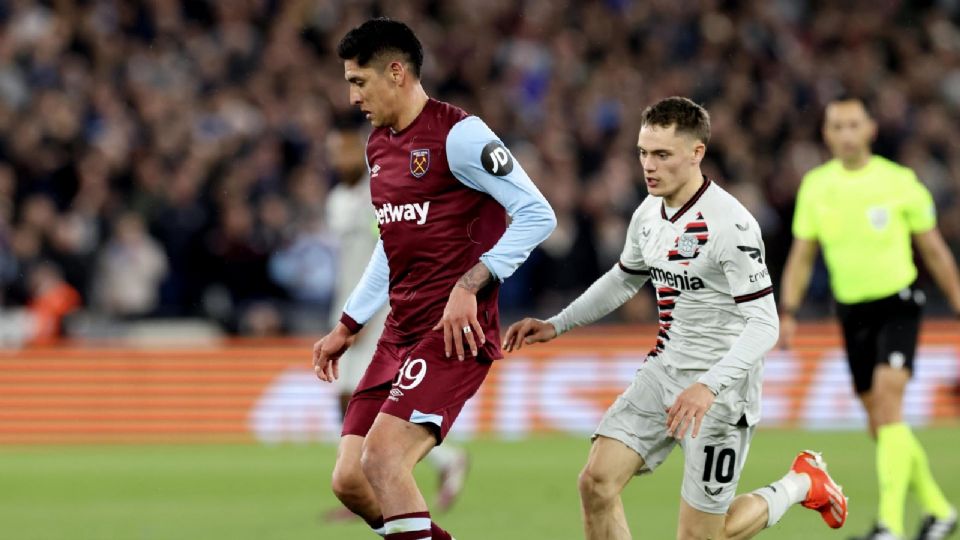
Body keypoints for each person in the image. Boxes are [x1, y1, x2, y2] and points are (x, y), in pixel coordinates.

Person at [504, 97, 847, 540]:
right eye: (643, 152)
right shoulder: (648, 212)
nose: (649, 165)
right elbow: (624, 279)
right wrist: (558, 323)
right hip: (664, 370)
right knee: (596, 483)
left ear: (696, 153)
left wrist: (709, 385)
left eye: (662, 154)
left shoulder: (732, 227)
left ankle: (801, 482)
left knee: (702, 535)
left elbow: (765, 324)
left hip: (722, 391)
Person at [312, 18, 556, 540]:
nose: (352, 96)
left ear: (396, 72)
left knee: (383, 460)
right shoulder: (378, 147)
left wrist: (469, 286)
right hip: (397, 332)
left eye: (359, 81)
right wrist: (349, 323)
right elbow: (391, 246)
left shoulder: (460, 135)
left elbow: (538, 215)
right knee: (350, 480)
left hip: (452, 336)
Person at [779, 96, 959, 540]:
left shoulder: (899, 182)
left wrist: (958, 300)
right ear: (825, 134)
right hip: (852, 311)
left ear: (871, 129)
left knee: (887, 403)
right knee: (881, 422)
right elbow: (802, 256)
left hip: (898, 303)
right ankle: (938, 509)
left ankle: (889, 527)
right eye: (836, 126)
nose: (845, 133)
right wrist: (789, 311)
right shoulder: (817, 186)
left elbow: (934, 249)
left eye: (852, 125)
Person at [322, 128, 470, 521]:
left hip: (382, 315)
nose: (339, 160)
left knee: (362, 399)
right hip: (349, 309)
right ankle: (440, 464)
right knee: (347, 399)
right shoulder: (336, 200)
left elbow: (390, 257)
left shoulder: (379, 196)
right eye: (333, 153)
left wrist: (371, 315)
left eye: (345, 151)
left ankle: (373, 486)